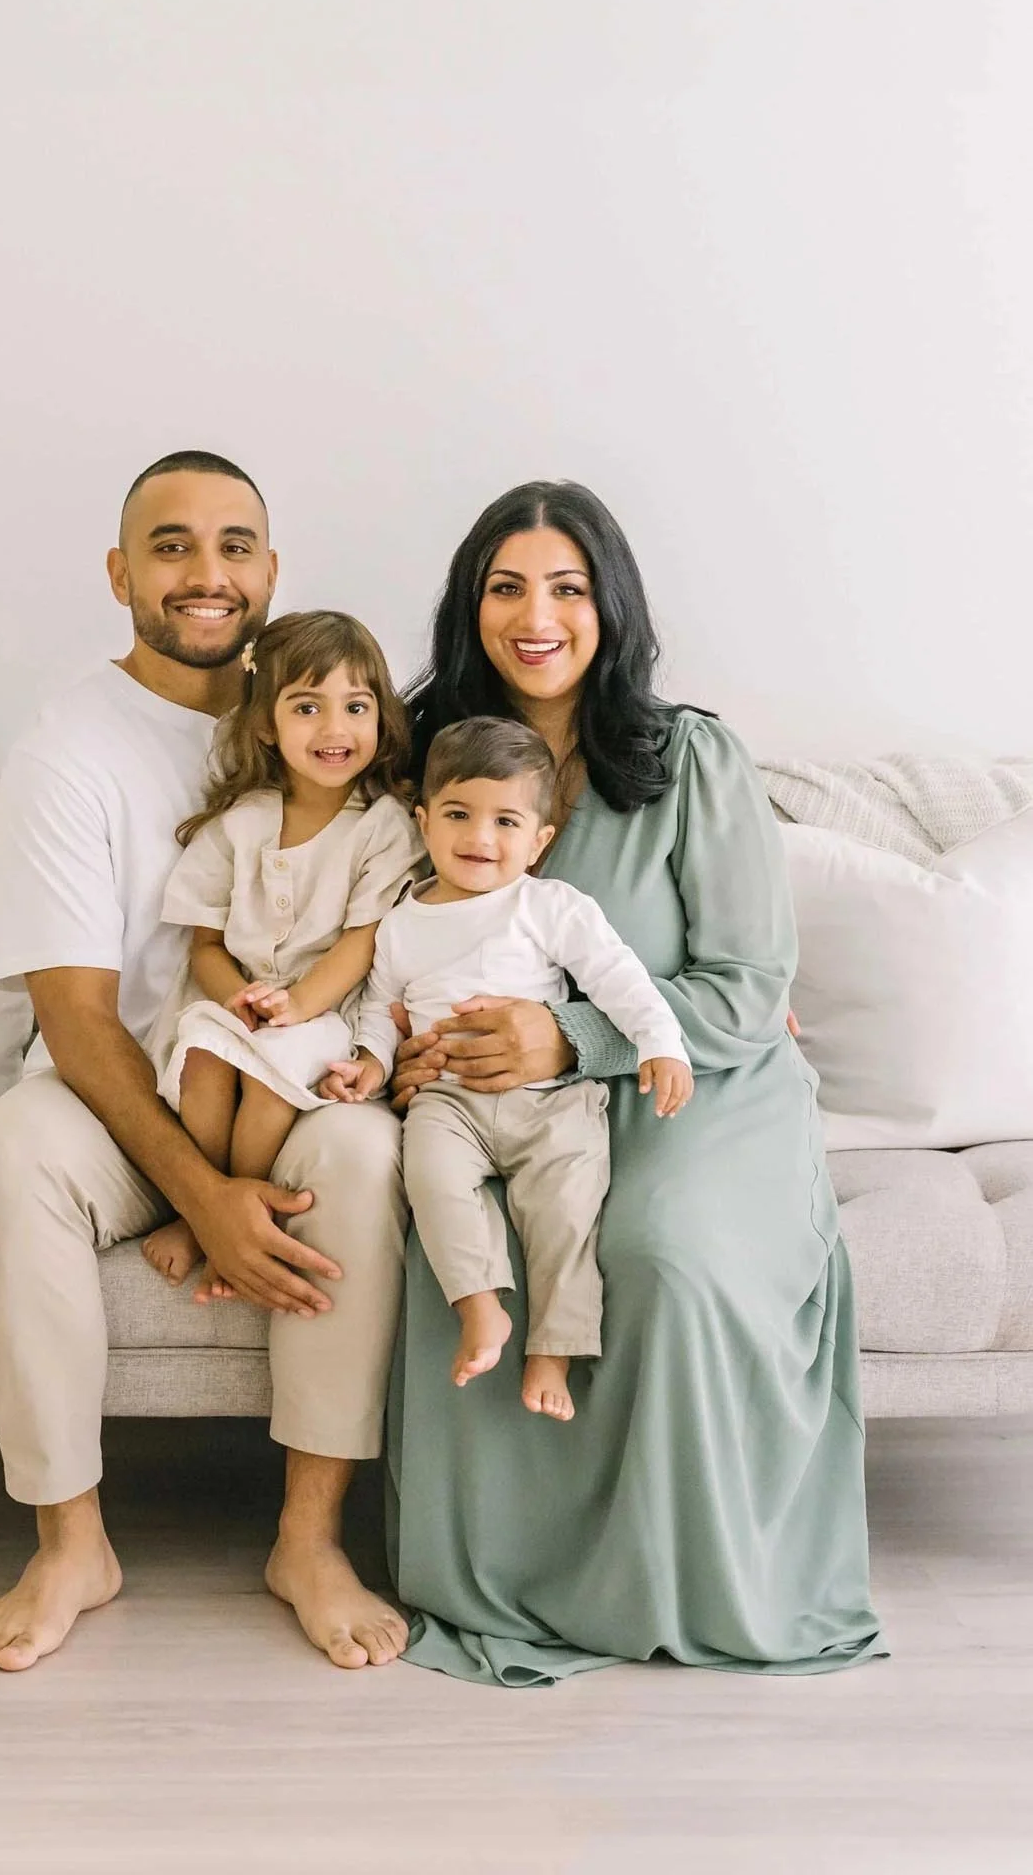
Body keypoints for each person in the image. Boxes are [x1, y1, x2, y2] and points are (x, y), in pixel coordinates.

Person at [386, 479, 887, 1683]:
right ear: (470, 605)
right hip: (490, 1099)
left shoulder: (688, 757)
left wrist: (570, 1038)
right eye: (505, 585)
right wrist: (399, 1045)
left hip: (692, 1077)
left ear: (609, 604)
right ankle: (507, 1576)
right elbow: (373, 932)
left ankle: (678, 1577)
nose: (536, 614)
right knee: (465, 1239)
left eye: (566, 586)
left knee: (660, 1250)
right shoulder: (426, 756)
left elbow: (748, 980)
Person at [0, 453, 411, 1673]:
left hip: (291, 1076)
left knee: (364, 1154)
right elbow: (73, 1012)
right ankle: (69, 1544)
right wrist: (200, 1194)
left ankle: (307, 1539)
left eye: (233, 545)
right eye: (170, 546)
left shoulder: (326, 709)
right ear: (119, 573)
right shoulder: (69, 747)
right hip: (126, 1090)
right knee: (8, 1153)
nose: (205, 574)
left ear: (269, 570)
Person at [324, 714, 692, 1422]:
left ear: (540, 841)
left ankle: (552, 1347)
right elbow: (379, 1005)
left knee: (567, 1211)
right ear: (424, 822)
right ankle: (480, 1306)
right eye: (459, 815)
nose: (480, 839)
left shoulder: (548, 907)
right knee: (430, 1183)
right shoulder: (402, 920)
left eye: (505, 821)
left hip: (550, 1100)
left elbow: (620, 980)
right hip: (447, 1103)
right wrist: (368, 1064)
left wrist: (661, 1043)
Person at [140, 609, 423, 1290]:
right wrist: (234, 999)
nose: (335, 729)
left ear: (380, 719)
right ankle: (201, 1202)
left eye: (356, 706)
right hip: (237, 1001)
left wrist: (295, 1007)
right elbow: (203, 944)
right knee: (206, 1059)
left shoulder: (382, 826)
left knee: (267, 1086)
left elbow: (364, 940)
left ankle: (240, 1212)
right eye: (307, 707)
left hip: (324, 1013)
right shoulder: (241, 825)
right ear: (267, 723)